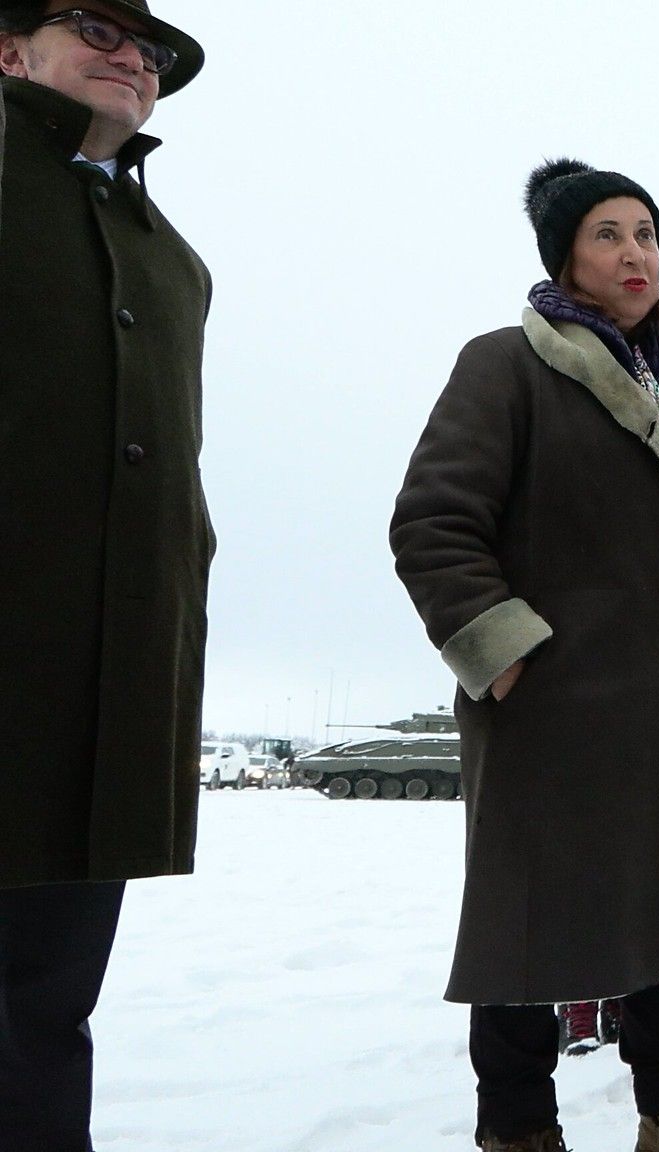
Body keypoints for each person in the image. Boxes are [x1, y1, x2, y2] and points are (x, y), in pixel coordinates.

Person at [391, 158, 659, 1152]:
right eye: (608, 233)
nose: (634, 251)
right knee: (526, 929)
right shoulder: (504, 364)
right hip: (547, 706)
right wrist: (506, 655)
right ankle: (517, 1128)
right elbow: (434, 523)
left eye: (646, 233)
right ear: (564, 256)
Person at [0, 3, 210, 1148]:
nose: (133, 54)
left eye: (151, 49)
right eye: (96, 25)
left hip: (95, 696)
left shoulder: (168, 258)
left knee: (44, 1013)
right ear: (9, 50)